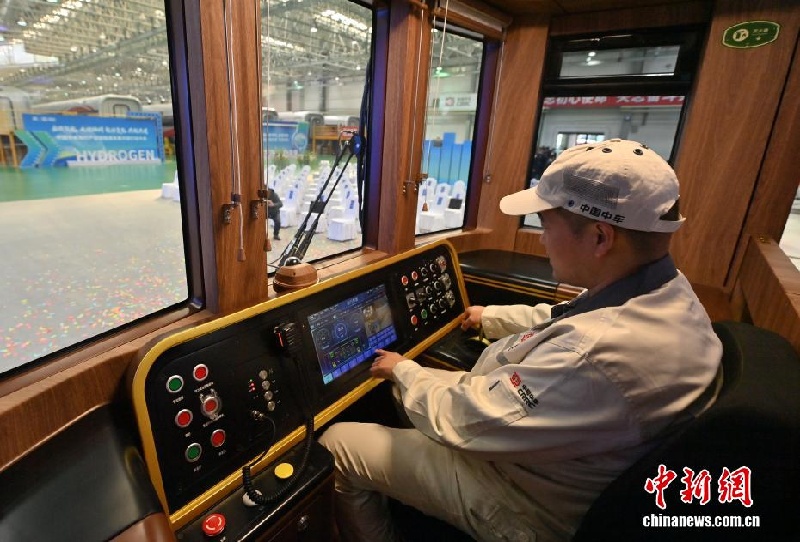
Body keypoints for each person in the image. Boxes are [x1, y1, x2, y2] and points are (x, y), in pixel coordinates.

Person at [318, 139, 723, 542]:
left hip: (527, 503)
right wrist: (490, 318)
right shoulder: (667, 292)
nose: (543, 239)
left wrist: (404, 370)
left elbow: (466, 420)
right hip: (568, 466)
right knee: (405, 391)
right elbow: (567, 317)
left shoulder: (593, 354)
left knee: (338, 445)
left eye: (545, 225)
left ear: (600, 238)